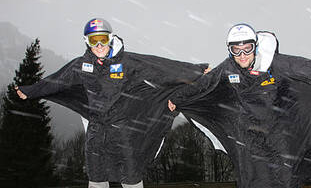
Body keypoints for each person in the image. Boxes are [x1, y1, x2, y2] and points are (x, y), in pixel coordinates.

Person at [15, 18, 210, 188]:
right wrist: (30, 91)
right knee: (97, 178)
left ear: (110, 38)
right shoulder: (81, 65)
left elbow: (160, 67)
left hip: (124, 133)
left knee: (131, 177)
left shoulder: (127, 62)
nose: (99, 45)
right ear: (87, 42)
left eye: (103, 39)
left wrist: (196, 71)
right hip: (96, 133)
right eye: (94, 40)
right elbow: (57, 80)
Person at [168, 23, 311, 188]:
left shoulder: (276, 64)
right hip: (249, 137)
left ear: (255, 46)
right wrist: (177, 99)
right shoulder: (229, 69)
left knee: (283, 180)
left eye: (247, 48)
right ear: (230, 51)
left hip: (278, 134)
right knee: (251, 181)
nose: (243, 55)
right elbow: (205, 83)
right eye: (236, 50)